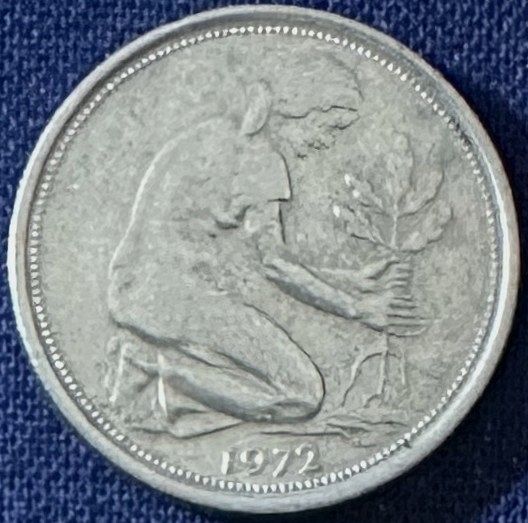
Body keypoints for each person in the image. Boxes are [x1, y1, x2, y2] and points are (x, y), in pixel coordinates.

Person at [104, 47, 418, 436]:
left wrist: (346, 281)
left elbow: (246, 262)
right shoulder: (263, 160)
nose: (325, 142)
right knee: (301, 394)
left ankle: (161, 377)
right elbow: (273, 264)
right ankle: (148, 373)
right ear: (302, 110)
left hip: (137, 287)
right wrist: (357, 308)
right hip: (174, 299)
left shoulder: (212, 134)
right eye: (329, 128)